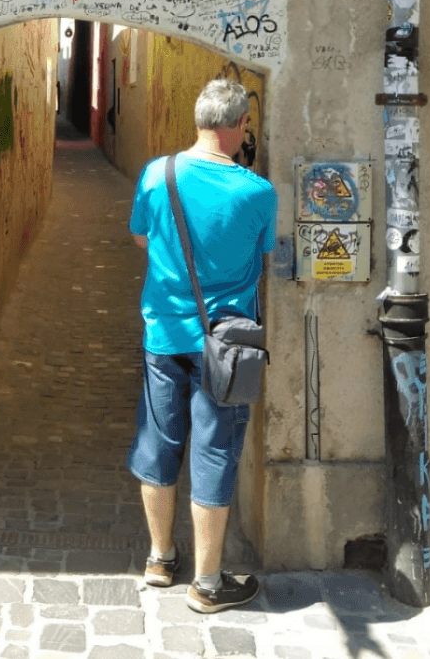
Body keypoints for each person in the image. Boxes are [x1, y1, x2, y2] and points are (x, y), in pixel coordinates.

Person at [127, 78, 277, 614]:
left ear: (199, 121)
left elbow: (143, 238)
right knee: (214, 450)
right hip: (226, 345)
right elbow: (263, 260)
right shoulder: (256, 192)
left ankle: (160, 558)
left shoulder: (156, 174)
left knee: (160, 442)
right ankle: (208, 583)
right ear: (237, 127)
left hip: (163, 335)